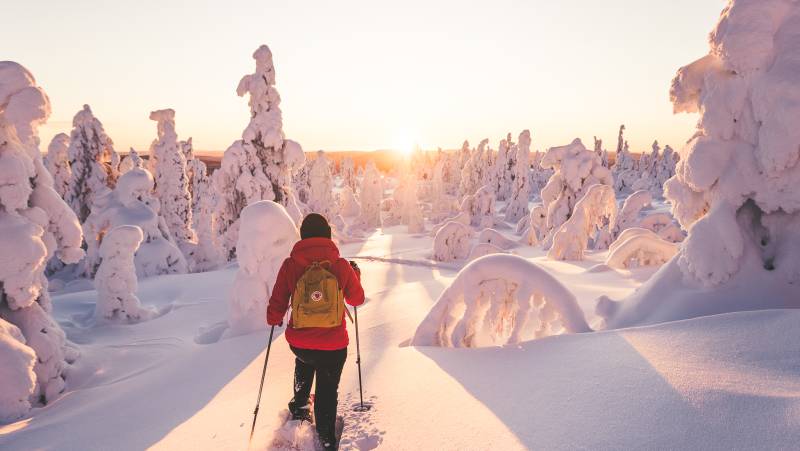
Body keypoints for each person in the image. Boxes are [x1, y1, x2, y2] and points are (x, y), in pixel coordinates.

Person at [267, 213, 365, 449]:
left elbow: (277, 302)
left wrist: (274, 318)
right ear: (328, 236)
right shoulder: (340, 265)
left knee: (305, 360)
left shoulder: (291, 264)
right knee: (327, 389)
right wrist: (355, 275)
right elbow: (357, 298)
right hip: (333, 345)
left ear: (303, 237)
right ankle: (325, 437)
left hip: (300, 344)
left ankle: (300, 406)